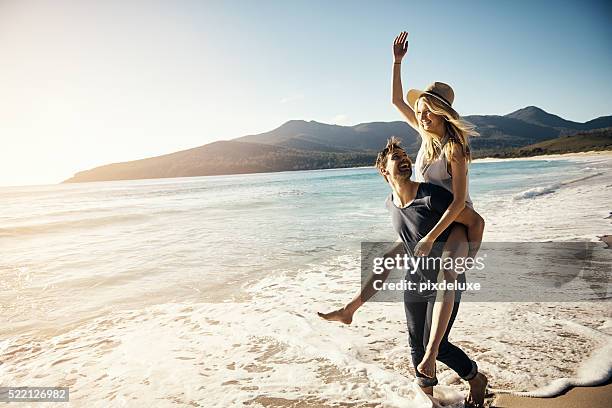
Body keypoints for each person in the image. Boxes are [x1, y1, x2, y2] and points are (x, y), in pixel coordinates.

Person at [318, 138, 488, 407]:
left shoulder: (433, 196)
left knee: (438, 346)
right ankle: (428, 402)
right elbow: (406, 242)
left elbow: (476, 221)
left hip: (446, 280)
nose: (404, 158)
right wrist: (354, 304)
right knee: (416, 347)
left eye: (405, 154)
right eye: (396, 157)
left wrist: (470, 256)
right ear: (383, 170)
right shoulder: (391, 204)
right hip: (415, 280)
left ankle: (475, 378)